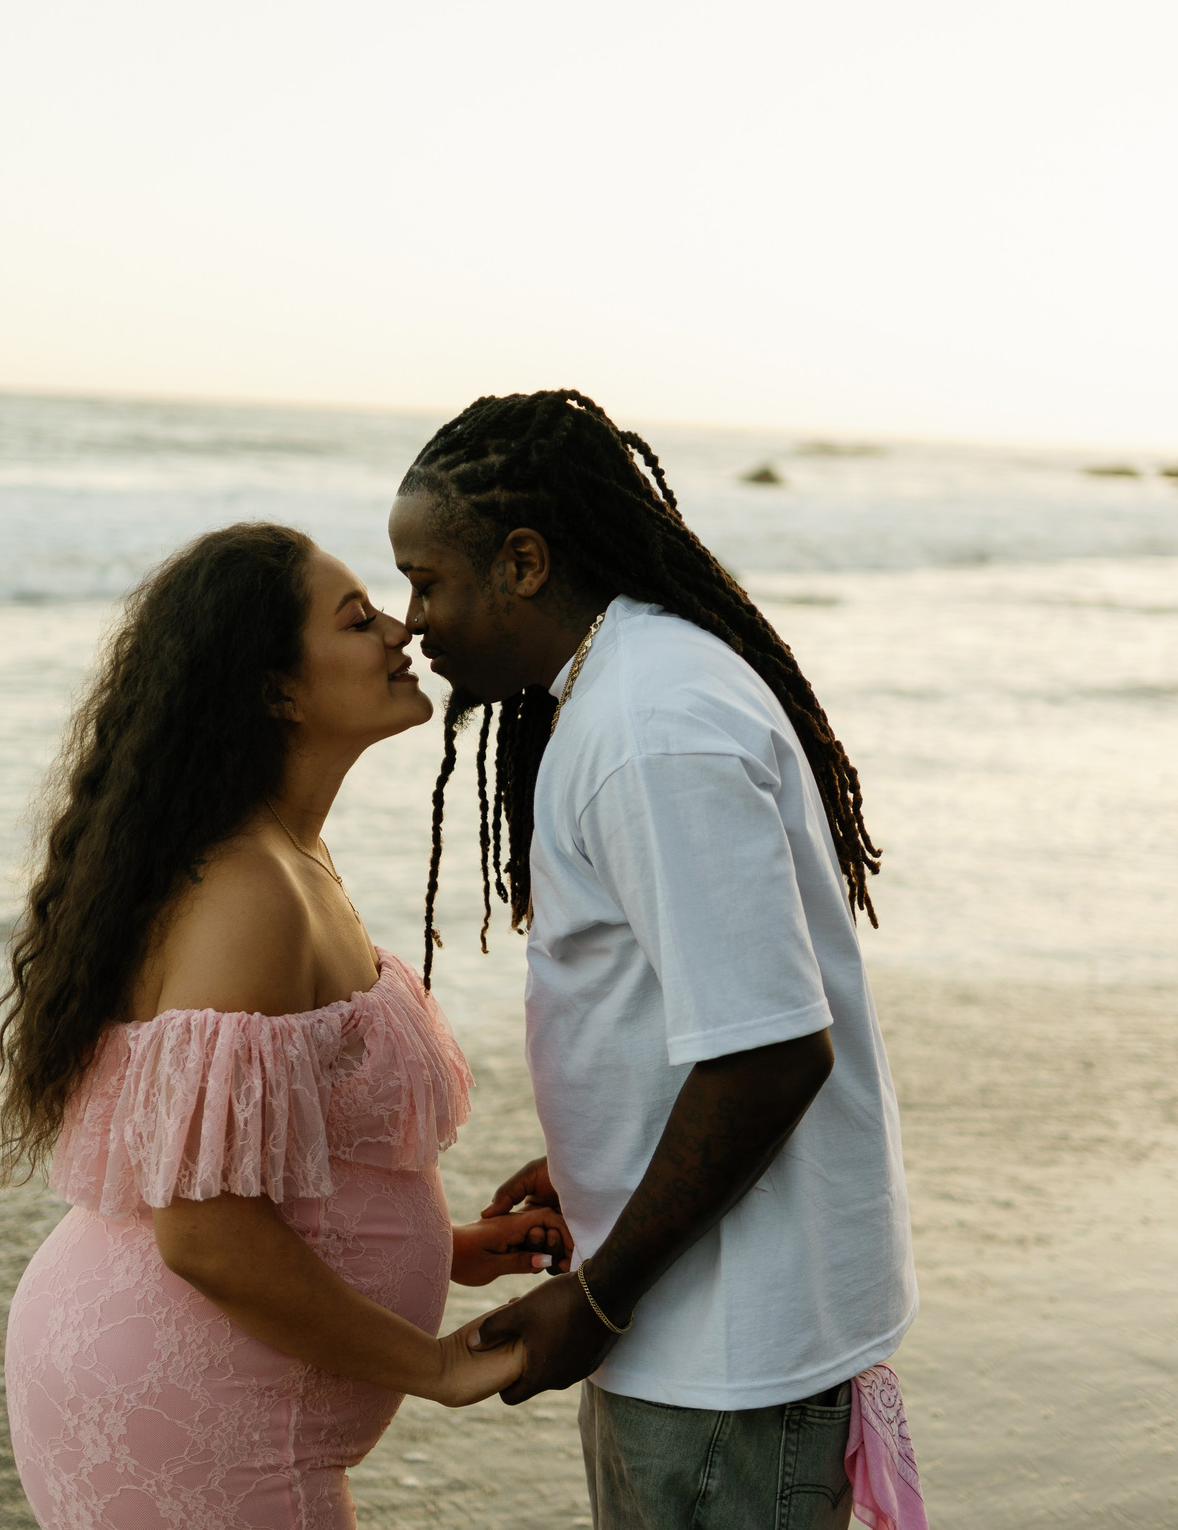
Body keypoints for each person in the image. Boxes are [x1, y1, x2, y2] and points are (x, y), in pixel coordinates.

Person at [388, 393, 924, 1530]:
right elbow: (712, 1012)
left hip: (725, 1365)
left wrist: (596, 1299)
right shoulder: (628, 689)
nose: (412, 620)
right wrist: (605, 1150)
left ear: (522, 563)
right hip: (707, 1334)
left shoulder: (648, 728)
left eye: (427, 580)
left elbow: (775, 1055)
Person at [0, 522, 570, 1530]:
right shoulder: (250, 892)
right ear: (276, 690)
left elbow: (262, 1157)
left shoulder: (286, 857)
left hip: (180, 1374)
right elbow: (208, 1234)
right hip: (194, 1400)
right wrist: (435, 1366)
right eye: (357, 619)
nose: (400, 631)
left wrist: (449, 1249)